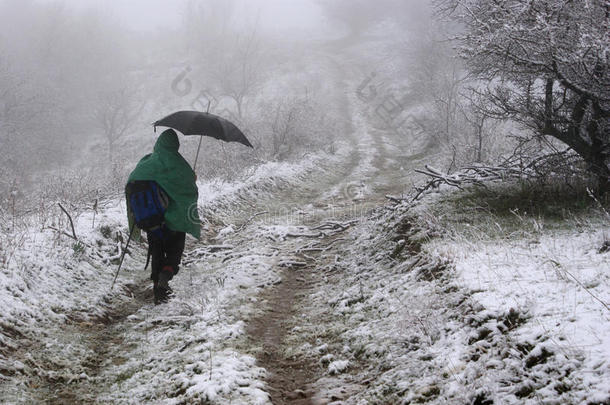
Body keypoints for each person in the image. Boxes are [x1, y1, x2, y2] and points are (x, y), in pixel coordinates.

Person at [125, 129, 200, 304]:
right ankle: (166, 275)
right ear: (175, 145)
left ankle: (157, 287)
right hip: (174, 221)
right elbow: (189, 191)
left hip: (152, 220)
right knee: (174, 251)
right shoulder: (178, 163)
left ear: (158, 143)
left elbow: (130, 184)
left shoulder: (146, 162)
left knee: (156, 250)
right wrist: (191, 179)